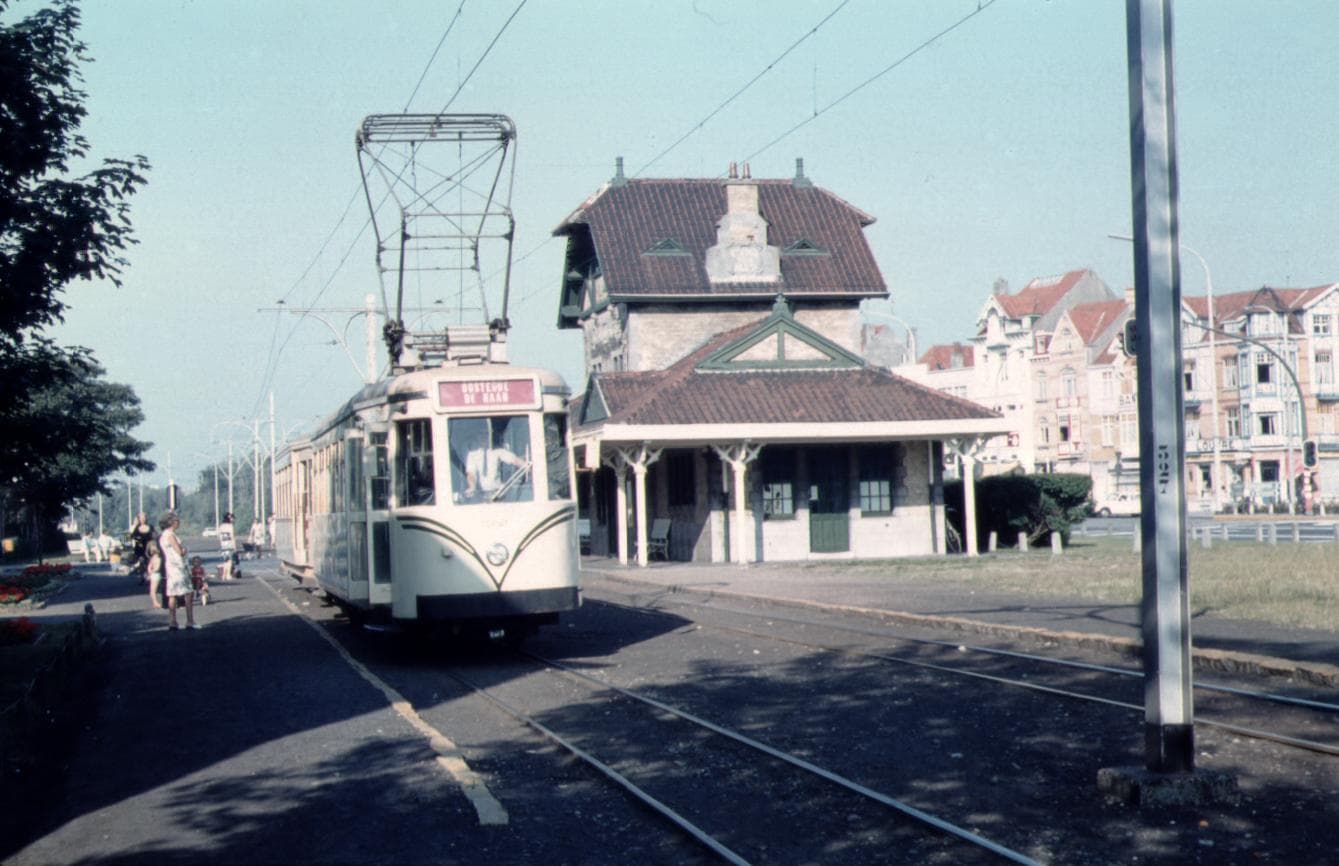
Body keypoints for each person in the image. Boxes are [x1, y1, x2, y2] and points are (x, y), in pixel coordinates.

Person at [463, 429, 526, 501]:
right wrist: (472, 487)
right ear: (477, 437)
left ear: (490, 436)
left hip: (498, 494)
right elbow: (471, 473)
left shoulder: (498, 451)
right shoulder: (472, 454)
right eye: (481, 434)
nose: (483, 437)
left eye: (486, 434)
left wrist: (528, 467)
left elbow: (515, 460)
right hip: (479, 496)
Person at [159, 513, 197, 630]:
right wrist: (184, 550)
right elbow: (179, 551)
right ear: (171, 522)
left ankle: (173, 621)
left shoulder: (163, 535)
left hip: (170, 566)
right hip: (179, 567)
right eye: (177, 520)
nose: (178, 522)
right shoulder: (170, 535)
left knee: (172, 594)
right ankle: (190, 621)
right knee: (188, 592)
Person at [129, 512, 155, 583]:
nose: (143, 519)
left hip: (149, 547)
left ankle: (149, 576)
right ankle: (142, 576)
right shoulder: (137, 528)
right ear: (139, 519)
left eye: (144, 518)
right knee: (142, 562)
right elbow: (132, 536)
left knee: (150, 561)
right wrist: (138, 540)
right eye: (141, 518)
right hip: (140, 547)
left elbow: (154, 535)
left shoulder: (150, 526)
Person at [217, 512, 238, 580]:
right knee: (229, 560)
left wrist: (221, 543)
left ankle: (224, 575)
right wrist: (235, 547)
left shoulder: (221, 526)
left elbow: (219, 536)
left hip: (223, 544)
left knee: (225, 560)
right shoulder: (230, 526)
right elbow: (232, 536)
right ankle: (228, 575)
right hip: (229, 543)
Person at [145, 539, 164, 609]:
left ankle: (155, 602)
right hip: (156, 574)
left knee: (153, 590)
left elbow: (149, 566)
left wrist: (150, 572)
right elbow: (157, 567)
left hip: (154, 574)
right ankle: (155, 602)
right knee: (154, 590)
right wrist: (152, 572)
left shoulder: (152, 558)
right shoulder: (159, 558)